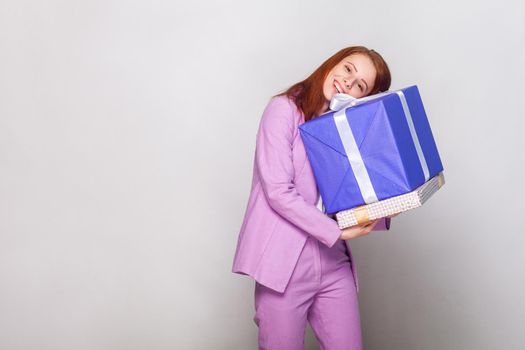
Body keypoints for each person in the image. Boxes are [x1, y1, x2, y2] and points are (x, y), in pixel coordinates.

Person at [232, 46, 392, 350]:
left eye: (360, 85)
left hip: (333, 262)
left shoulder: (346, 133)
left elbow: (351, 194)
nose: (348, 82)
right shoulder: (283, 110)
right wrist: (336, 230)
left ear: (364, 98)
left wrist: (387, 207)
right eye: (348, 69)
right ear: (333, 63)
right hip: (285, 264)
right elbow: (278, 190)